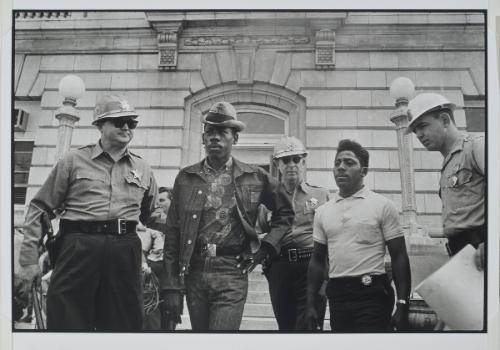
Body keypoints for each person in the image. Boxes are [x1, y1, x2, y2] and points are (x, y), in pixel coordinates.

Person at [17, 94, 158, 331]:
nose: (126, 127)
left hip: (124, 250)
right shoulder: (73, 161)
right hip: (78, 247)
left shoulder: (143, 168)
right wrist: (28, 260)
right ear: (100, 126)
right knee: (66, 318)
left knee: (123, 324)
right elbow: (40, 207)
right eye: (119, 121)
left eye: (131, 123)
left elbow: (152, 215)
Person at [160, 101, 294, 331]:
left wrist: (263, 250)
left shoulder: (255, 176)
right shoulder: (186, 178)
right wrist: (171, 286)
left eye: (222, 132)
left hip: (232, 270)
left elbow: (285, 213)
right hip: (195, 271)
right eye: (209, 132)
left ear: (235, 138)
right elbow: (173, 233)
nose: (215, 137)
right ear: (203, 139)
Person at [305, 139, 411, 332]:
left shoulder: (382, 205)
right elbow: (318, 260)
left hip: (372, 294)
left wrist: (403, 304)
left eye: (349, 163)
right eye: (337, 163)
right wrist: (310, 304)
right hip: (338, 297)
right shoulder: (323, 211)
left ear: (364, 171)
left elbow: (399, 256)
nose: (341, 168)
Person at [406, 93, 485, 260]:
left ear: (444, 120)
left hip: (483, 248)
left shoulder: (476, 146)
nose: (418, 135)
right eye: (415, 130)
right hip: (462, 252)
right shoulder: (449, 164)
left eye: (423, 126)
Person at [262, 136, 329, 331]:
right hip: (280, 268)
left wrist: (326, 275)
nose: (291, 164)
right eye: (286, 160)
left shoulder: (320, 195)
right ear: (277, 164)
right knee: (286, 327)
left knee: (310, 326)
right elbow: (262, 231)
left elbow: (329, 236)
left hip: (311, 266)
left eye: (296, 159)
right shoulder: (268, 198)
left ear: (304, 161)